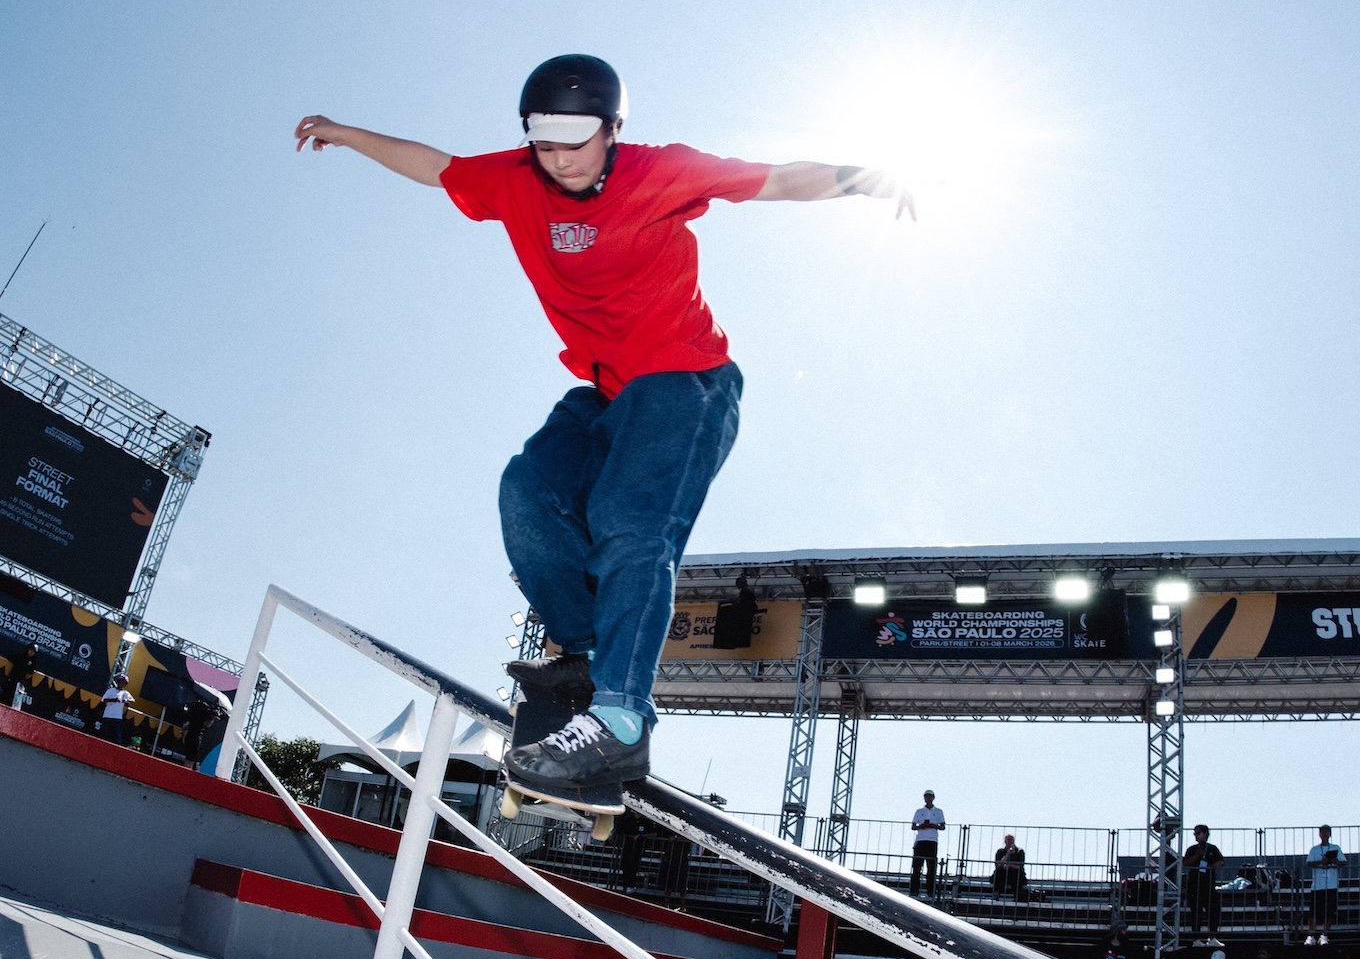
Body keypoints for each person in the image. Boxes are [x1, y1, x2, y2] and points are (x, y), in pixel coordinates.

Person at [295, 58, 914, 798]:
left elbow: (777, 179)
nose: (559, 162)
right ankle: (589, 653)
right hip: (605, 392)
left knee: (628, 522)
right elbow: (436, 167)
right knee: (528, 491)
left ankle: (621, 723)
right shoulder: (515, 179)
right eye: (545, 146)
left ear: (615, 130)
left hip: (686, 383)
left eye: (577, 145)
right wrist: (342, 131)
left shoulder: (664, 171)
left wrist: (868, 176)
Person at [1182, 823, 1225, 944]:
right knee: (1196, 913)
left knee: (1213, 911)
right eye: (1195, 833)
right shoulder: (1192, 849)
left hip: (1208, 885)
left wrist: (1213, 866)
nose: (1196, 836)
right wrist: (1197, 855)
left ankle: (1212, 937)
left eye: (1198, 833)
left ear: (1205, 834)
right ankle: (1196, 939)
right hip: (1194, 886)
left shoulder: (1212, 848)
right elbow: (1185, 863)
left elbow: (1221, 861)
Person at [1304, 825, 1345, 944]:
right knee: (1313, 911)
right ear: (1319, 834)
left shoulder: (1336, 848)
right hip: (1317, 885)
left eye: (1327, 832)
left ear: (1330, 834)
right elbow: (1309, 863)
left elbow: (1343, 862)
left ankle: (1324, 934)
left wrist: (1334, 861)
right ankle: (1311, 935)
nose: (1324, 834)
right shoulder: (1315, 850)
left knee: (1329, 911)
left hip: (1331, 884)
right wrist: (1320, 862)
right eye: (1322, 832)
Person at [909, 790, 945, 898]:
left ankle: (930, 891)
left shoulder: (938, 811)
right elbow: (913, 826)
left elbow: (943, 826)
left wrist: (933, 826)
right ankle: (914, 891)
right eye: (926, 796)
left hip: (932, 841)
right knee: (917, 867)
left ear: (933, 798)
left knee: (931, 868)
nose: (928, 798)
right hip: (921, 840)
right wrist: (922, 826)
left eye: (930, 796)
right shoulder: (919, 811)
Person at [97, 673, 134, 745]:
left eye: (124, 683)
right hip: (107, 715)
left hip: (117, 717)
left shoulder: (125, 693)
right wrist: (114, 700)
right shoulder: (111, 690)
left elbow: (133, 700)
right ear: (118, 682)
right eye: (121, 682)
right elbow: (103, 700)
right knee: (103, 734)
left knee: (117, 737)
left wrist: (125, 700)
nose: (122, 684)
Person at [991, 833, 1026, 900]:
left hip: (1015, 875)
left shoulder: (1020, 851)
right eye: (1008, 840)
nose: (1009, 841)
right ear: (1005, 841)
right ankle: (996, 894)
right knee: (999, 872)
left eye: (1011, 840)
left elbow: (1020, 866)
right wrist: (1008, 854)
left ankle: (1017, 896)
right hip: (1003, 874)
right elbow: (998, 865)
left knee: (1015, 875)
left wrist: (1009, 866)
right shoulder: (1000, 851)